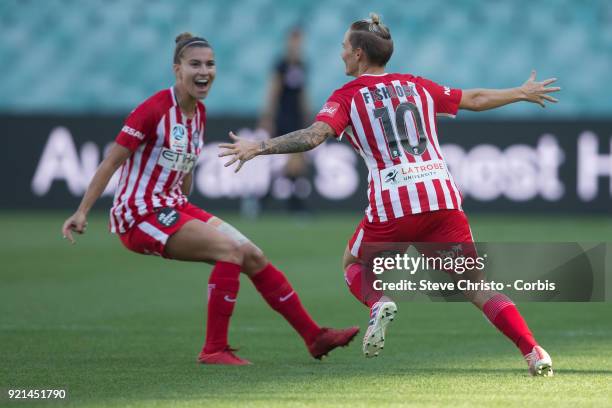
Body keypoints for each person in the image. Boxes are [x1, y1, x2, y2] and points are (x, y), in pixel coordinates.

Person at [218, 14, 561, 376]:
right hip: (441, 198)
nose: (341, 55)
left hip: (394, 203)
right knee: (476, 288)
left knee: (353, 266)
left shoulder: (347, 96)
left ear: (360, 54)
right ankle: (533, 351)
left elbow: (313, 136)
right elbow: (473, 98)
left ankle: (379, 302)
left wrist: (260, 146)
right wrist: (521, 92)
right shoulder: (416, 85)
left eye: (345, 48)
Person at [61, 33, 358, 366]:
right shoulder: (153, 110)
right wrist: (82, 211)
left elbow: (185, 168)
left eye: (210, 64)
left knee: (252, 255)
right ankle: (214, 349)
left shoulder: (198, 113)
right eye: (195, 64)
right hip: (140, 214)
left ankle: (314, 337)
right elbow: (111, 161)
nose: (204, 71)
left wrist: (189, 215)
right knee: (228, 251)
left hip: (173, 206)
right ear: (177, 70)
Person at [258, 26, 312, 214]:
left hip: (297, 117)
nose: (297, 44)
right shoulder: (281, 65)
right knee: (294, 161)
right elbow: (274, 91)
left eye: (299, 40)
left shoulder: (303, 65)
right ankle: (294, 205)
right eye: (294, 40)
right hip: (284, 116)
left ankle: (265, 200)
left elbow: (303, 93)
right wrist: (268, 117)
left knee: (296, 163)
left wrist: (307, 114)